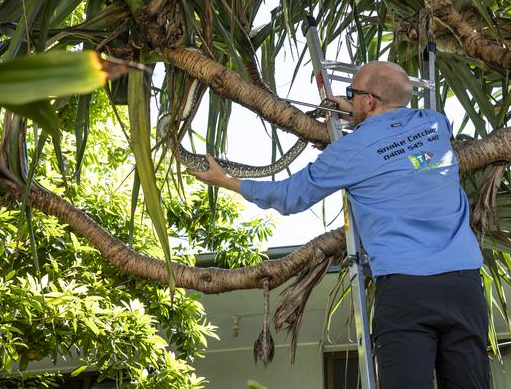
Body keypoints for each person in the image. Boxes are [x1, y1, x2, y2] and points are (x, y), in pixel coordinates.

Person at [188, 61, 489, 388]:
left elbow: (290, 196)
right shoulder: (434, 125)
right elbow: (397, 132)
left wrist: (229, 181)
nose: (350, 99)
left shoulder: (349, 152)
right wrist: (359, 110)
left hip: (407, 290)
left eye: (353, 94)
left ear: (369, 101)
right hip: (464, 287)